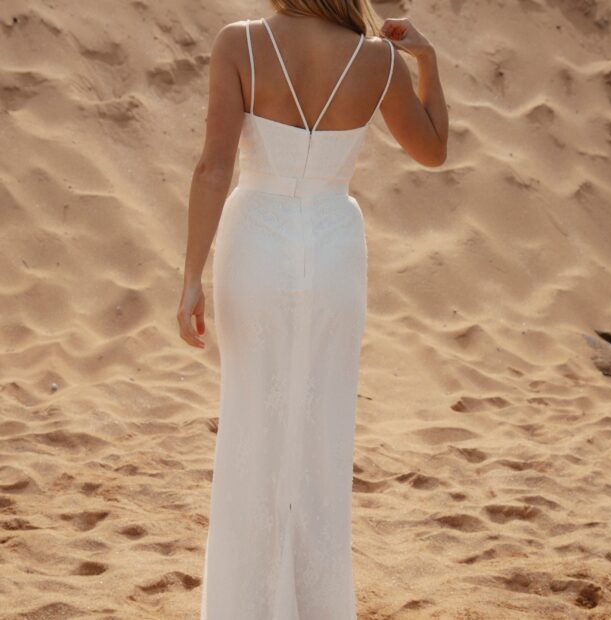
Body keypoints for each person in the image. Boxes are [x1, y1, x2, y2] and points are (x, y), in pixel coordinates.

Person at [177, 1, 448, 617]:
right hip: (332, 248)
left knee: (251, 420)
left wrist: (191, 277)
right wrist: (427, 63)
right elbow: (433, 150)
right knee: (322, 430)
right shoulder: (379, 58)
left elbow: (214, 165)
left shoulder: (239, 43)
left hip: (255, 241)